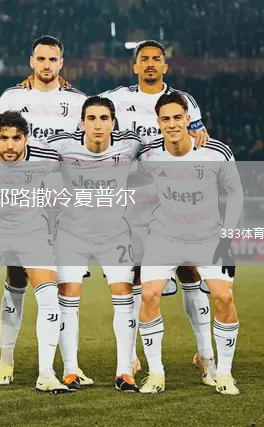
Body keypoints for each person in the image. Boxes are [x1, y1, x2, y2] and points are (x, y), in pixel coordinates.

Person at [0, 35, 91, 387]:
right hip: (14, 202)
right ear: (31, 62)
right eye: (41, 59)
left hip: (59, 206)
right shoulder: (14, 97)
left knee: (63, 287)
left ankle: (67, 366)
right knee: (16, 280)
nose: (46, 65)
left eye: (52, 59)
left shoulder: (77, 101)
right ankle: (6, 362)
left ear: (61, 63)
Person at [100, 40, 216, 383]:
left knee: (191, 271)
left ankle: (205, 354)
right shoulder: (117, 98)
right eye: (144, 59)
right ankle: (133, 355)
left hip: (176, 199)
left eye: (156, 59)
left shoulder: (184, 100)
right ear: (135, 66)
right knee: (137, 275)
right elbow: (87, 113)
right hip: (134, 199)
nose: (150, 64)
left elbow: (200, 141)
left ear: (165, 66)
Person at [137, 92, 243, 395]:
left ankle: (224, 374)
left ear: (188, 119)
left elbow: (235, 192)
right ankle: (156, 374)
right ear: (158, 122)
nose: (172, 124)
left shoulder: (215, 151)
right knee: (149, 295)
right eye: (165, 119)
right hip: (164, 237)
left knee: (223, 297)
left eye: (177, 117)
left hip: (208, 237)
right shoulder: (148, 155)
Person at [0, 110, 68, 394]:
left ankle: (46, 374)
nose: (9, 145)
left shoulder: (45, 157)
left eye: (16, 138)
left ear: (26, 139)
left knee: (49, 298)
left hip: (31, 233)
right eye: (3, 138)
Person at [46, 96, 142, 392]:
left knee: (124, 296)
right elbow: (23, 148)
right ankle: (70, 370)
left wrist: (196, 133)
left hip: (115, 236)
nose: (97, 125)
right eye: (91, 118)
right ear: (81, 123)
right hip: (71, 235)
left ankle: (124, 372)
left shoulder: (130, 145)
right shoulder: (62, 146)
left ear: (113, 123)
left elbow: (163, 143)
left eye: (103, 119)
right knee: (68, 298)